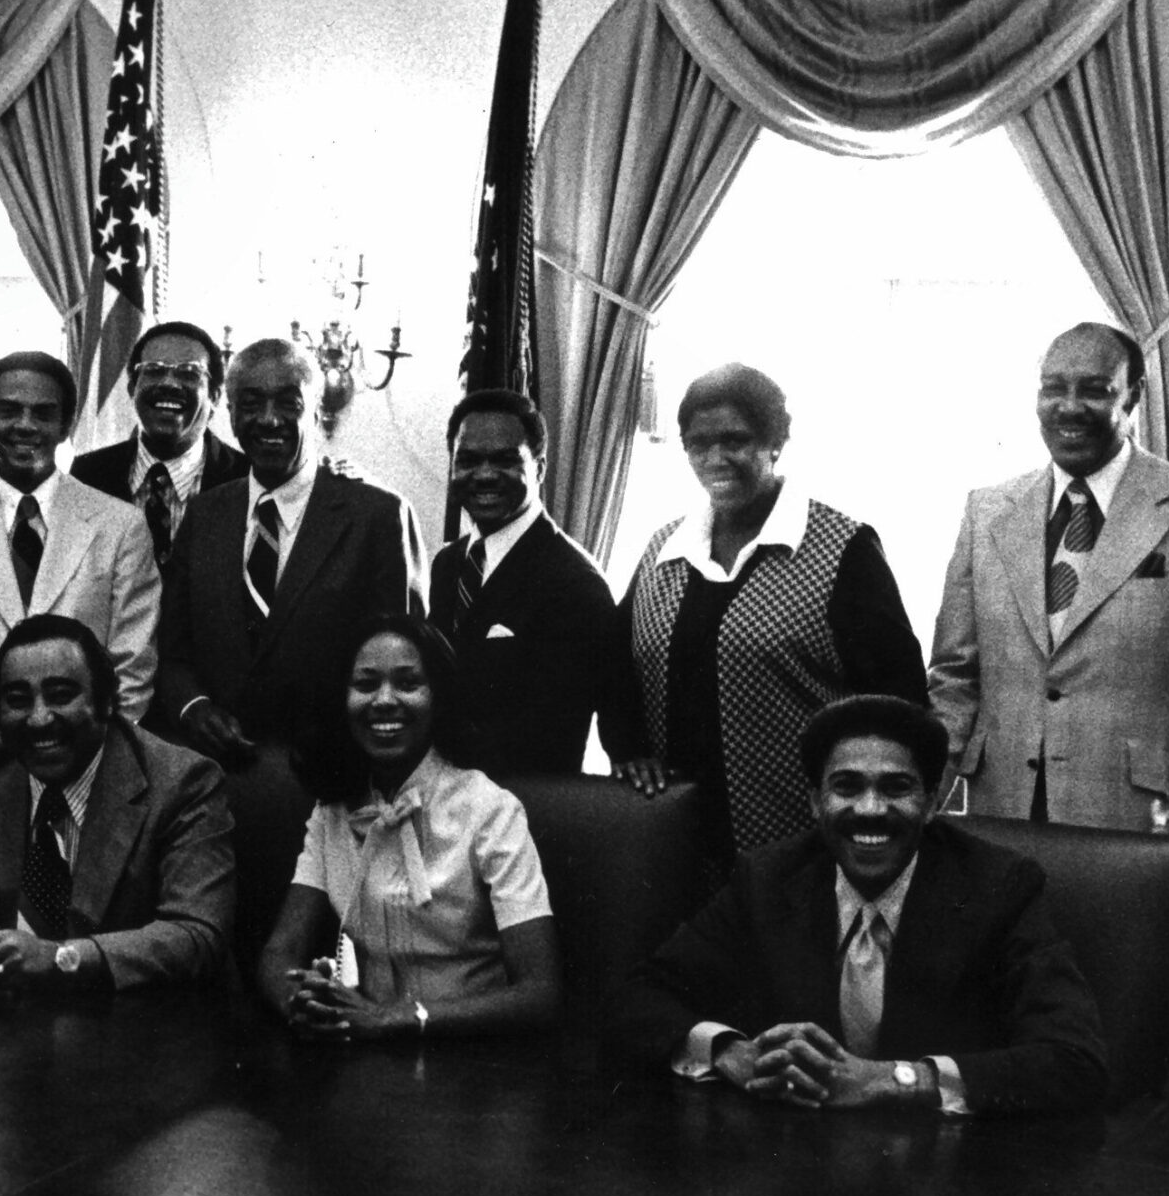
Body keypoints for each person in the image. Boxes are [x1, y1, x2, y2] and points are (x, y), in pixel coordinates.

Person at [607, 695, 1109, 1118]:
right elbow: (639, 997)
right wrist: (732, 1054)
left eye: (896, 788)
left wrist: (893, 1079)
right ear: (814, 801)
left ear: (933, 802)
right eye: (846, 787)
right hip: (795, 1171)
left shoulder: (1000, 886)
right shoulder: (767, 877)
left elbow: (1074, 1060)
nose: (870, 809)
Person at [927, 321, 1169, 849]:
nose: (1069, 406)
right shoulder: (987, 511)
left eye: (1094, 389)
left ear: (1134, 397)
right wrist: (920, 804)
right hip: (997, 821)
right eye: (1053, 388)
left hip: (1135, 828)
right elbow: (953, 680)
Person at [603, 363, 927, 861]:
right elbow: (619, 668)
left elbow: (898, 701)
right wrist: (628, 753)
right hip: (676, 833)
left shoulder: (843, 548)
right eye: (698, 443)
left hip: (801, 839)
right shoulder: (663, 549)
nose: (715, 457)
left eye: (735, 440)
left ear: (775, 441)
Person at [0, 614, 233, 991]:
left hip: (138, 1022)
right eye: (18, 701)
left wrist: (62, 958)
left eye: (61, 696)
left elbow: (198, 934)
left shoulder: (182, 781)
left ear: (106, 703)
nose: (39, 719)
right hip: (6, 1024)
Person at [259, 616, 560, 1040]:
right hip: (364, 1046)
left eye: (407, 683)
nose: (384, 700)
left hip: (473, 1059)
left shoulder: (490, 809)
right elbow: (280, 951)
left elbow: (540, 994)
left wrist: (395, 1020)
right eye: (365, 685)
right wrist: (300, 1003)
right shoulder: (331, 811)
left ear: (437, 696)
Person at [156, 337, 428, 764]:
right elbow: (172, 652)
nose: (268, 419)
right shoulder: (206, 514)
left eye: (288, 402)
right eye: (250, 403)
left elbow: (406, 670)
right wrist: (194, 708)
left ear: (317, 409)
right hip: (213, 776)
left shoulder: (379, 516)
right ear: (230, 412)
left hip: (335, 778)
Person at [0, 351, 160, 723]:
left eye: (43, 413)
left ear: (67, 425)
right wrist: (19, 711)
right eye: (9, 411)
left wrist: (81, 735)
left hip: (89, 752)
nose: (25, 425)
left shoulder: (121, 525)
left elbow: (133, 665)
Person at [427, 390, 622, 777]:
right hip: (437, 798)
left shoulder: (575, 583)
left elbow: (547, 736)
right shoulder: (448, 564)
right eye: (467, 461)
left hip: (520, 810)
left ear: (540, 469)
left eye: (504, 460)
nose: (483, 475)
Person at [69, 320, 248, 566]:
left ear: (215, 396)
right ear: (132, 388)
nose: (169, 384)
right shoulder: (86, 476)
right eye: (153, 370)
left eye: (188, 373)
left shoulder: (246, 479)